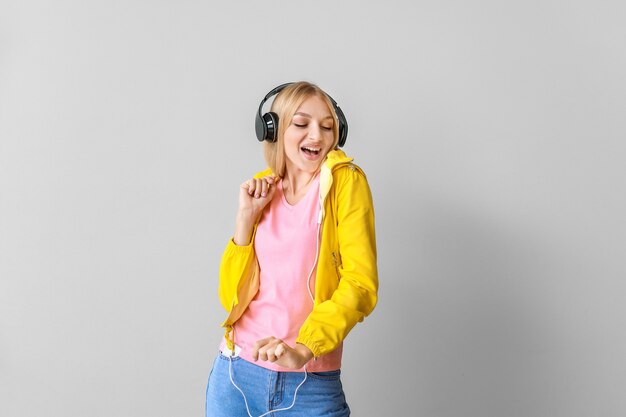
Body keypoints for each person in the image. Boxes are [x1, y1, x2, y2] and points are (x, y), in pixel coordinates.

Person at [205, 81, 378, 417]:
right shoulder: (262, 189)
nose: (316, 136)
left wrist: (304, 347)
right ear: (274, 130)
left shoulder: (346, 183)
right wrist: (245, 220)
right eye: (301, 124)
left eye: (327, 126)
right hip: (234, 375)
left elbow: (361, 283)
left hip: (308, 382)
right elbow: (231, 299)